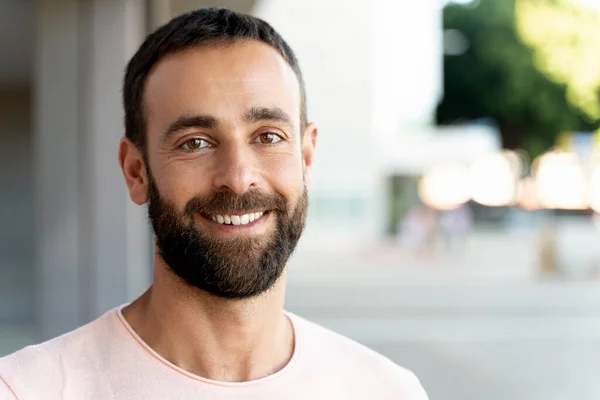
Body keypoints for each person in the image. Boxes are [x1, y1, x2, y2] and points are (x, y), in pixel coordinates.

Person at [0, 8, 428, 399]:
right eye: (196, 142)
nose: (239, 177)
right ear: (136, 171)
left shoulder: (386, 390)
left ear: (306, 158)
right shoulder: (27, 389)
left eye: (268, 136)